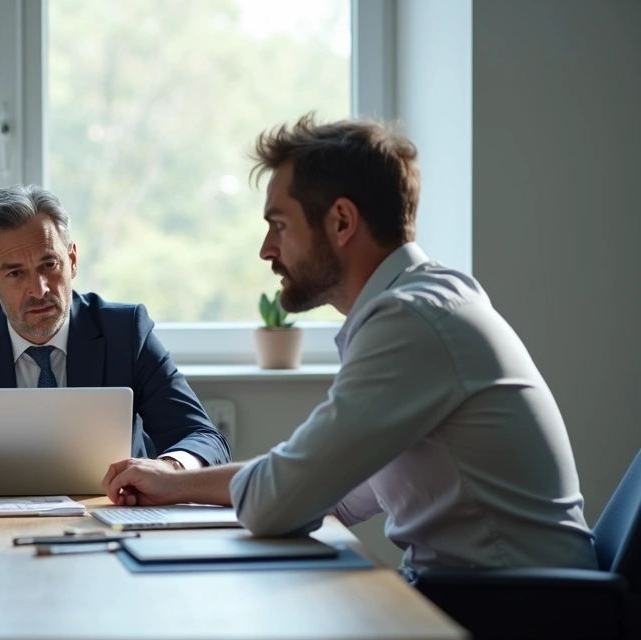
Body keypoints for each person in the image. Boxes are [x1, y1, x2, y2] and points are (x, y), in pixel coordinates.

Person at [101, 115, 598, 576]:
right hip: (495, 598)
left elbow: (280, 501)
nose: (266, 250)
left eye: (279, 224)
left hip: (517, 612)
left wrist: (215, 487)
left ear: (341, 221)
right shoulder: (426, 301)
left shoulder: (410, 323)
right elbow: (327, 493)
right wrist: (173, 483)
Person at [0, 185, 230, 496]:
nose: (39, 289)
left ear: (72, 260)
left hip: (110, 519)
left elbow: (204, 438)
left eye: (49, 265)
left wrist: (169, 468)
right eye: (15, 273)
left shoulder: (125, 330)